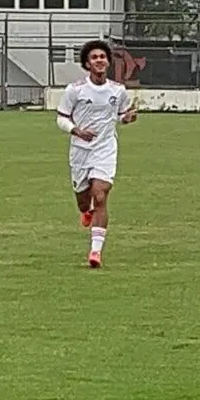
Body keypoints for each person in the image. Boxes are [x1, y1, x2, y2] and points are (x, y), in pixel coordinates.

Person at [55, 40, 137, 268]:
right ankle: (85, 211)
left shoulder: (118, 90)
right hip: (80, 151)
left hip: (105, 149)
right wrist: (76, 130)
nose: (99, 60)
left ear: (108, 61)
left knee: (100, 195)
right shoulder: (75, 90)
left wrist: (126, 119)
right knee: (84, 200)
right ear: (87, 64)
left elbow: (120, 114)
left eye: (103, 56)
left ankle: (95, 252)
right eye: (94, 57)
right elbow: (61, 117)